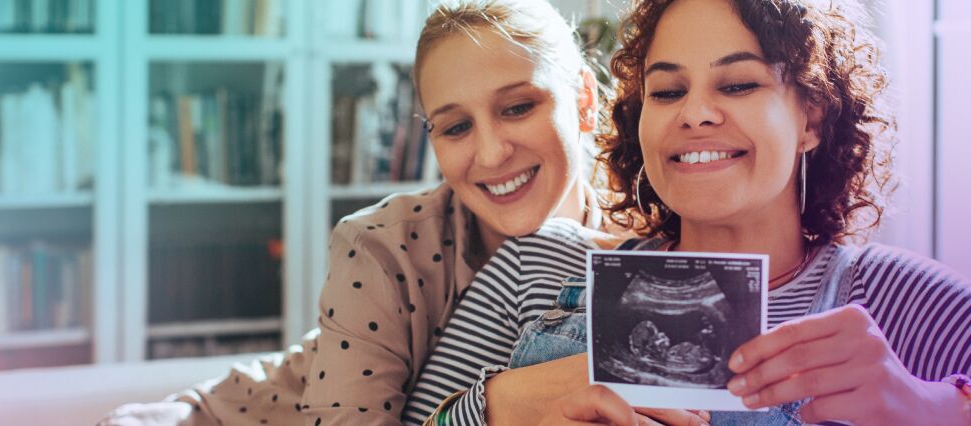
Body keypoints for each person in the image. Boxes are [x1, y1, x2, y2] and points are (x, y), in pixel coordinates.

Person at [406, 0, 971, 425]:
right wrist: (499, 404)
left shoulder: (886, 296)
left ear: (811, 117)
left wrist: (935, 405)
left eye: (738, 84)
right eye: (668, 90)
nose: (695, 113)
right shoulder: (542, 265)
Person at [99, 1, 626, 424]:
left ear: (583, 99)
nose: (490, 155)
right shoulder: (379, 243)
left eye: (517, 107)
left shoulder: (643, 243)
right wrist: (493, 405)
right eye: (456, 127)